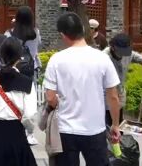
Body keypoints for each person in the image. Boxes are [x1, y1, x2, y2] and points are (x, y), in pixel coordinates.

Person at [43, 12, 121, 166]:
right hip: (95, 129)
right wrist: (115, 124)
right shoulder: (102, 58)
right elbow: (113, 97)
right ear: (83, 30)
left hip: (65, 130)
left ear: (63, 35)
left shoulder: (56, 60)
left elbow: (50, 98)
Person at [0, 37, 38, 166]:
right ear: (20, 57)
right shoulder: (26, 82)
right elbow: (30, 115)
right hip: (15, 133)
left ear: (1, 55)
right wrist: (29, 131)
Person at [7, 6, 42, 145]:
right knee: (29, 101)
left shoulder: (10, 33)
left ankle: (15, 130)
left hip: (15, 70)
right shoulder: (36, 33)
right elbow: (38, 47)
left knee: (15, 99)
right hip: (30, 71)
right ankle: (29, 133)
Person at [103, 33, 142, 126]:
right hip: (107, 96)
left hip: (120, 92)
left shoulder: (127, 53)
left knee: (118, 121)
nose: (124, 54)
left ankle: (118, 136)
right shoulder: (104, 57)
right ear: (113, 47)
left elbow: (134, 55)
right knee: (107, 123)